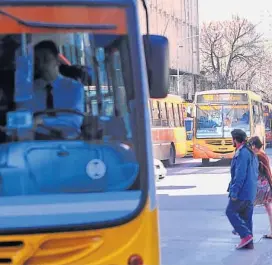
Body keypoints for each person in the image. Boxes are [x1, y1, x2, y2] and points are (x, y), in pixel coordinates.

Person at [17, 40, 84, 139]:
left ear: (57, 60)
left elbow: (75, 121)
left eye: (45, 59)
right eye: (37, 60)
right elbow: (23, 119)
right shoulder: (29, 89)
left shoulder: (74, 87)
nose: (41, 65)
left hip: (70, 142)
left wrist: (42, 121)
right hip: (37, 143)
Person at [226, 129, 258, 249]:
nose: (231, 141)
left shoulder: (242, 153)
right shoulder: (250, 152)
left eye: (232, 139)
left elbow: (240, 174)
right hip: (251, 192)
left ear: (235, 139)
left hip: (243, 192)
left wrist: (234, 191)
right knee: (246, 217)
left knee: (230, 211)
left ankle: (245, 236)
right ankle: (248, 244)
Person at [249, 136, 272, 239]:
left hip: (258, 186)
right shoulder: (263, 155)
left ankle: (246, 233)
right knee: (268, 208)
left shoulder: (256, 156)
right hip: (266, 185)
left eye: (250, 145)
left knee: (247, 208)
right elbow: (268, 171)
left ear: (254, 146)